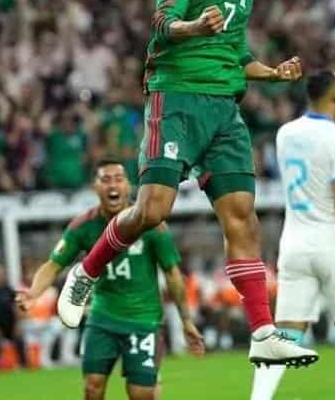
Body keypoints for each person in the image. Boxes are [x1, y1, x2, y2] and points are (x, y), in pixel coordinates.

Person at [55, 0, 317, 368]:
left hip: (224, 112)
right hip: (175, 102)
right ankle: (87, 270)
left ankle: (262, 332)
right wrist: (194, 25)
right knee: (152, 211)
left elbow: (237, 57)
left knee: (242, 215)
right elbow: (162, 24)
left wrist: (273, 73)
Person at [16, 159, 204, 400]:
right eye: (105, 179)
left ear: (128, 186)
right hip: (102, 319)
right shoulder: (84, 226)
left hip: (142, 320)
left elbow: (173, 273)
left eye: (118, 178)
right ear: (95, 187)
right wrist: (33, 293)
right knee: (92, 388)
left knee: (141, 394)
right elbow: (54, 265)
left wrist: (186, 319)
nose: (112, 185)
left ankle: (151, 385)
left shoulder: (151, 224)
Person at [251, 70, 335, 400]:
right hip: (332, 244)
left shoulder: (285, 134)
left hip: (295, 246)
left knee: (282, 340)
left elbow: (313, 153)